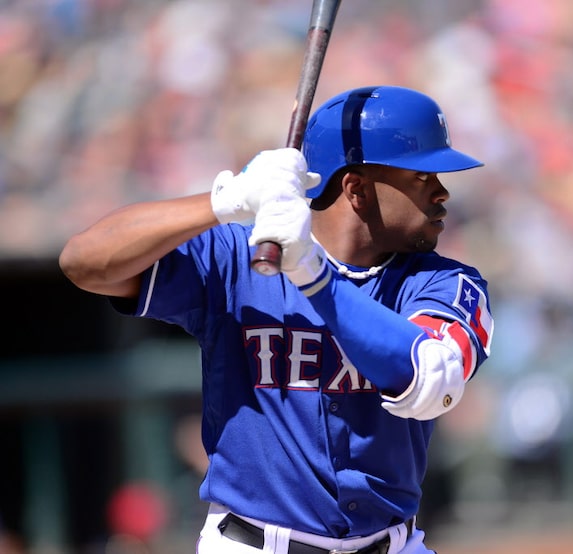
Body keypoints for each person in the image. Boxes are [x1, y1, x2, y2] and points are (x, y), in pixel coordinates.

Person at [60, 85, 494, 554]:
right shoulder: (234, 255)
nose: (442, 191)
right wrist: (224, 201)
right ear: (357, 189)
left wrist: (312, 271)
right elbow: (85, 263)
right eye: (421, 176)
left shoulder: (445, 283)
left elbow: (428, 376)